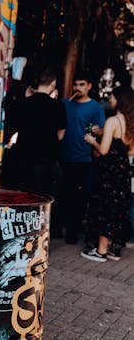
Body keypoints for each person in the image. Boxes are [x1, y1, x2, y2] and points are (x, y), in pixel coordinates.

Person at [81, 86, 134, 262]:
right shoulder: (130, 121)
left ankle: (101, 251)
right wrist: (104, 133)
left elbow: (103, 150)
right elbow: (130, 151)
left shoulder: (112, 121)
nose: (110, 100)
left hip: (109, 171)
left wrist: (91, 141)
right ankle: (114, 249)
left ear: (119, 100)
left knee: (105, 206)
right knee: (118, 207)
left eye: (112, 97)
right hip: (123, 169)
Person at [3, 66, 66, 201]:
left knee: (23, 197)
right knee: (44, 199)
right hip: (46, 160)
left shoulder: (23, 104)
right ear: (53, 83)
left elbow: (13, 125)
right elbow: (61, 135)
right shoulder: (58, 106)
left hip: (24, 157)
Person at [60, 71, 105, 243]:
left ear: (89, 86)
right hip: (63, 156)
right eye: (76, 84)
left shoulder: (95, 107)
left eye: (82, 85)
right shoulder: (66, 103)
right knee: (63, 195)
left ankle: (72, 233)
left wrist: (96, 131)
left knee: (78, 198)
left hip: (83, 158)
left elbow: (100, 129)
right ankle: (59, 229)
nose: (78, 88)